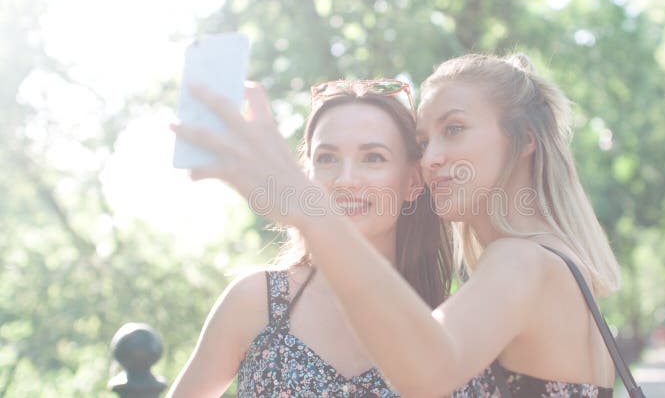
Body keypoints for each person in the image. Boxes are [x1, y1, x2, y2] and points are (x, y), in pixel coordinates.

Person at [174, 53, 623, 397]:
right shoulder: (509, 276)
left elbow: (430, 371)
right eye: (425, 141)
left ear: (524, 140)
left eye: (455, 129)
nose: (432, 159)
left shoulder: (522, 259)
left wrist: (308, 210)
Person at [167, 79, 481, 397]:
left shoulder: (456, 324)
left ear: (413, 181)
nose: (345, 180)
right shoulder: (255, 301)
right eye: (327, 158)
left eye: (373, 158)